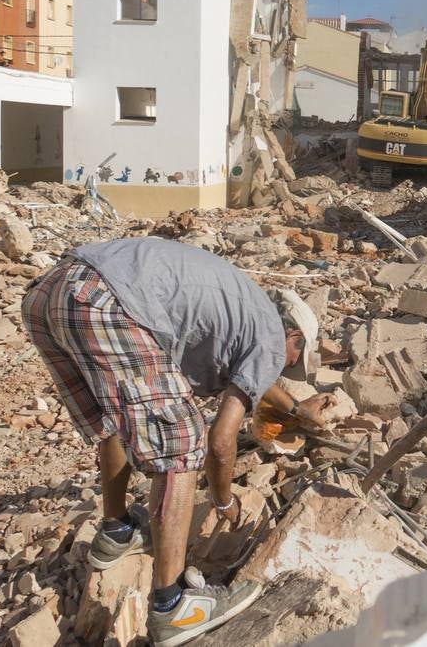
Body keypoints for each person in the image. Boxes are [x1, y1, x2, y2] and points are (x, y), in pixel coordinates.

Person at [20, 237, 328, 646]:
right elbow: (220, 441)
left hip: (54, 293)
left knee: (116, 419)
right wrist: (223, 500)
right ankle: (173, 605)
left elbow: (256, 379)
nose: (287, 366)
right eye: (294, 357)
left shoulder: (241, 307)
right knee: (184, 443)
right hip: (108, 300)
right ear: (293, 335)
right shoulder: (271, 337)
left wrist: (295, 409)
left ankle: (116, 531)